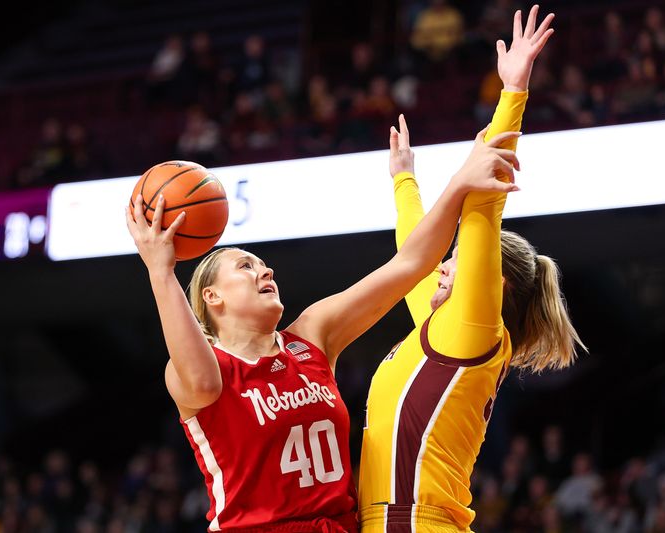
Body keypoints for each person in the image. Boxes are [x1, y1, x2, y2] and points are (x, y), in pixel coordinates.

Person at [124, 126, 522, 530]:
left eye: (262, 264)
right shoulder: (204, 370)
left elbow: (410, 264)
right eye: (246, 266)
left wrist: (457, 186)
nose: (265, 269)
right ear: (212, 298)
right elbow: (203, 384)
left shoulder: (312, 334)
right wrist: (161, 270)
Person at [358, 6, 586, 532]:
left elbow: (482, 206)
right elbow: (413, 260)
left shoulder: (474, 328)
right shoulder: (440, 333)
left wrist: (512, 95)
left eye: (456, 260)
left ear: (490, 282)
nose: (443, 267)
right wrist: (403, 182)